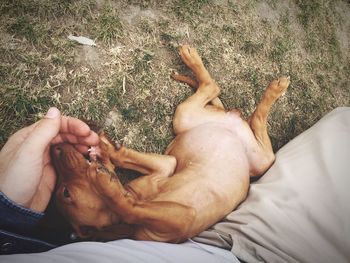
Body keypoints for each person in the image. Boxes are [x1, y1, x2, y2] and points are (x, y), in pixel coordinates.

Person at [1, 107, 349, 263]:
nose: (66, 165)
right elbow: (180, 218)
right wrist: (125, 205)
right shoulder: (136, 224)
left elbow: (168, 165)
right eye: (67, 190)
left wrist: (10, 216)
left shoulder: (132, 201)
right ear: (89, 230)